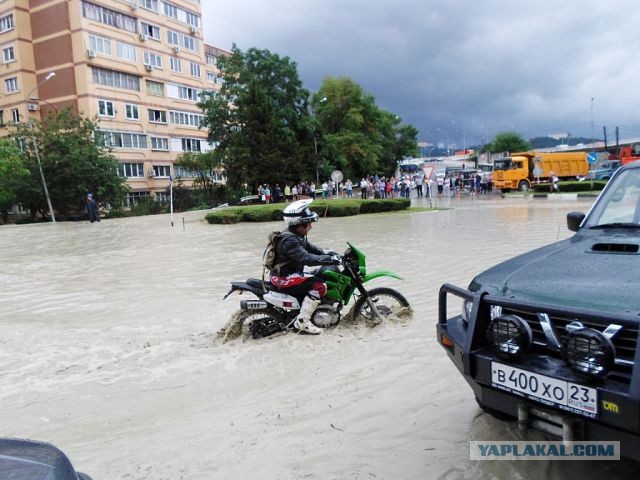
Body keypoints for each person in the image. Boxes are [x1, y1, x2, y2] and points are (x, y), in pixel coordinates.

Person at [270, 199, 340, 334]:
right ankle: (303, 321)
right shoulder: (289, 240)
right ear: (298, 224)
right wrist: (329, 259)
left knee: (321, 274)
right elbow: (306, 258)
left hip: (291, 273)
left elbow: (311, 248)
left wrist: (328, 252)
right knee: (319, 285)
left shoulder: (296, 235)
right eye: (308, 224)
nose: (310, 227)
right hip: (283, 278)